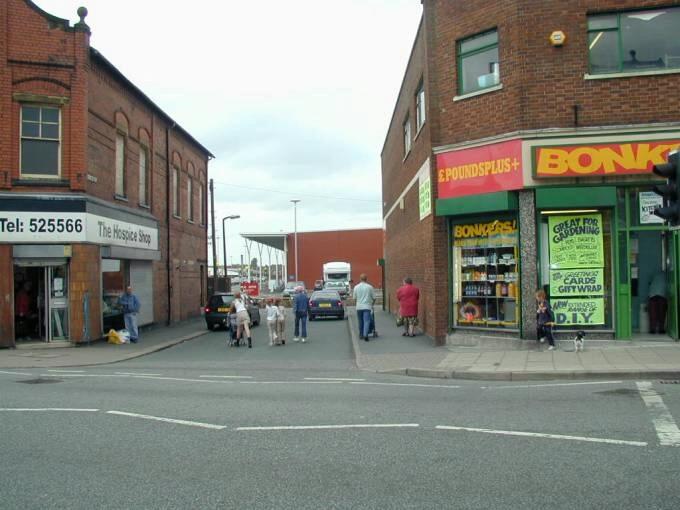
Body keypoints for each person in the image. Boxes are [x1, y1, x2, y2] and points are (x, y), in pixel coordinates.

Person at [353, 273, 375, 341]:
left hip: (359, 307)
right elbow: (374, 298)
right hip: (367, 307)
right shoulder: (370, 287)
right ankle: (366, 335)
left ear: (360, 279)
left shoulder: (356, 287)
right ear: (366, 279)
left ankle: (361, 334)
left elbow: (354, 298)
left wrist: (356, 304)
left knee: (360, 321)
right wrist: (372, 304)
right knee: (366, 321)